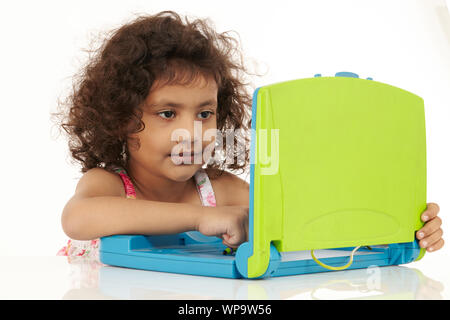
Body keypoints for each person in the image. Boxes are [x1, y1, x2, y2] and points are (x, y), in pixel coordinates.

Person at [54, 11, 443, 263]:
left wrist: (396, 229)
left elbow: (303, 224)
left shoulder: (223, 191)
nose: (192, 131)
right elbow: (78, 218)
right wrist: (202, 218)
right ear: (121, 118)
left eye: (205, 113)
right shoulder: (108, 184)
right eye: (168, 113)